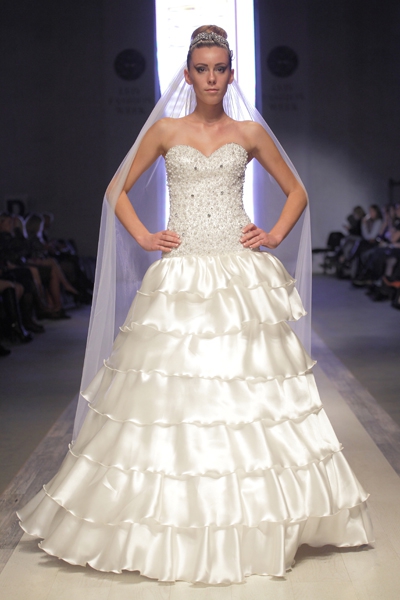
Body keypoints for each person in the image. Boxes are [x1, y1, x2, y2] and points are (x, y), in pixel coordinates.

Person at [17, 25, 373, 583]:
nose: (211, 78)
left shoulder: (250, 132)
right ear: (187, 74)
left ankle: (256, 515)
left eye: (219, 69)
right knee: (171, 390)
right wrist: (143, 235)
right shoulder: (164, 130)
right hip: (181, 269)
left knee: (247, 390)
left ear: (231, 74)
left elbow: (298, 190)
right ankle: (171, 517)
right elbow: (115, 189)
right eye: (202, 69)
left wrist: (274, 233)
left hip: (238, 268)